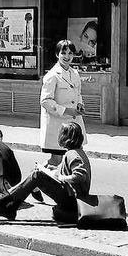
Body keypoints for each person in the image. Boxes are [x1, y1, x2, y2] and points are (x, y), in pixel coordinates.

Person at [0, 122, 91, 221]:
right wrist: (53, 171)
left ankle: (5, 205)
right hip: (71, 196)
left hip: (72, 200)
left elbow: (80, 176)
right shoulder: (76, 152)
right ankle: (8, 205)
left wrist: (60, 177)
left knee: (37, 175)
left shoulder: (73, 154)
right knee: (39, 173)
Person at [40, 40, 87, 168]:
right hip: (58, 124)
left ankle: (66, 184)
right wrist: (65, 110)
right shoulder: (52, 75)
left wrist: (80, 104)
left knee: (76, 157)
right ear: (57, 54)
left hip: (74, 123)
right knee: (56, 160)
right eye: (63, 53)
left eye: (70, 53)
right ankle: (36, 178)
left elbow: (78, 93)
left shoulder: (75, 73)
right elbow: (45, 101)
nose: (67, 57)